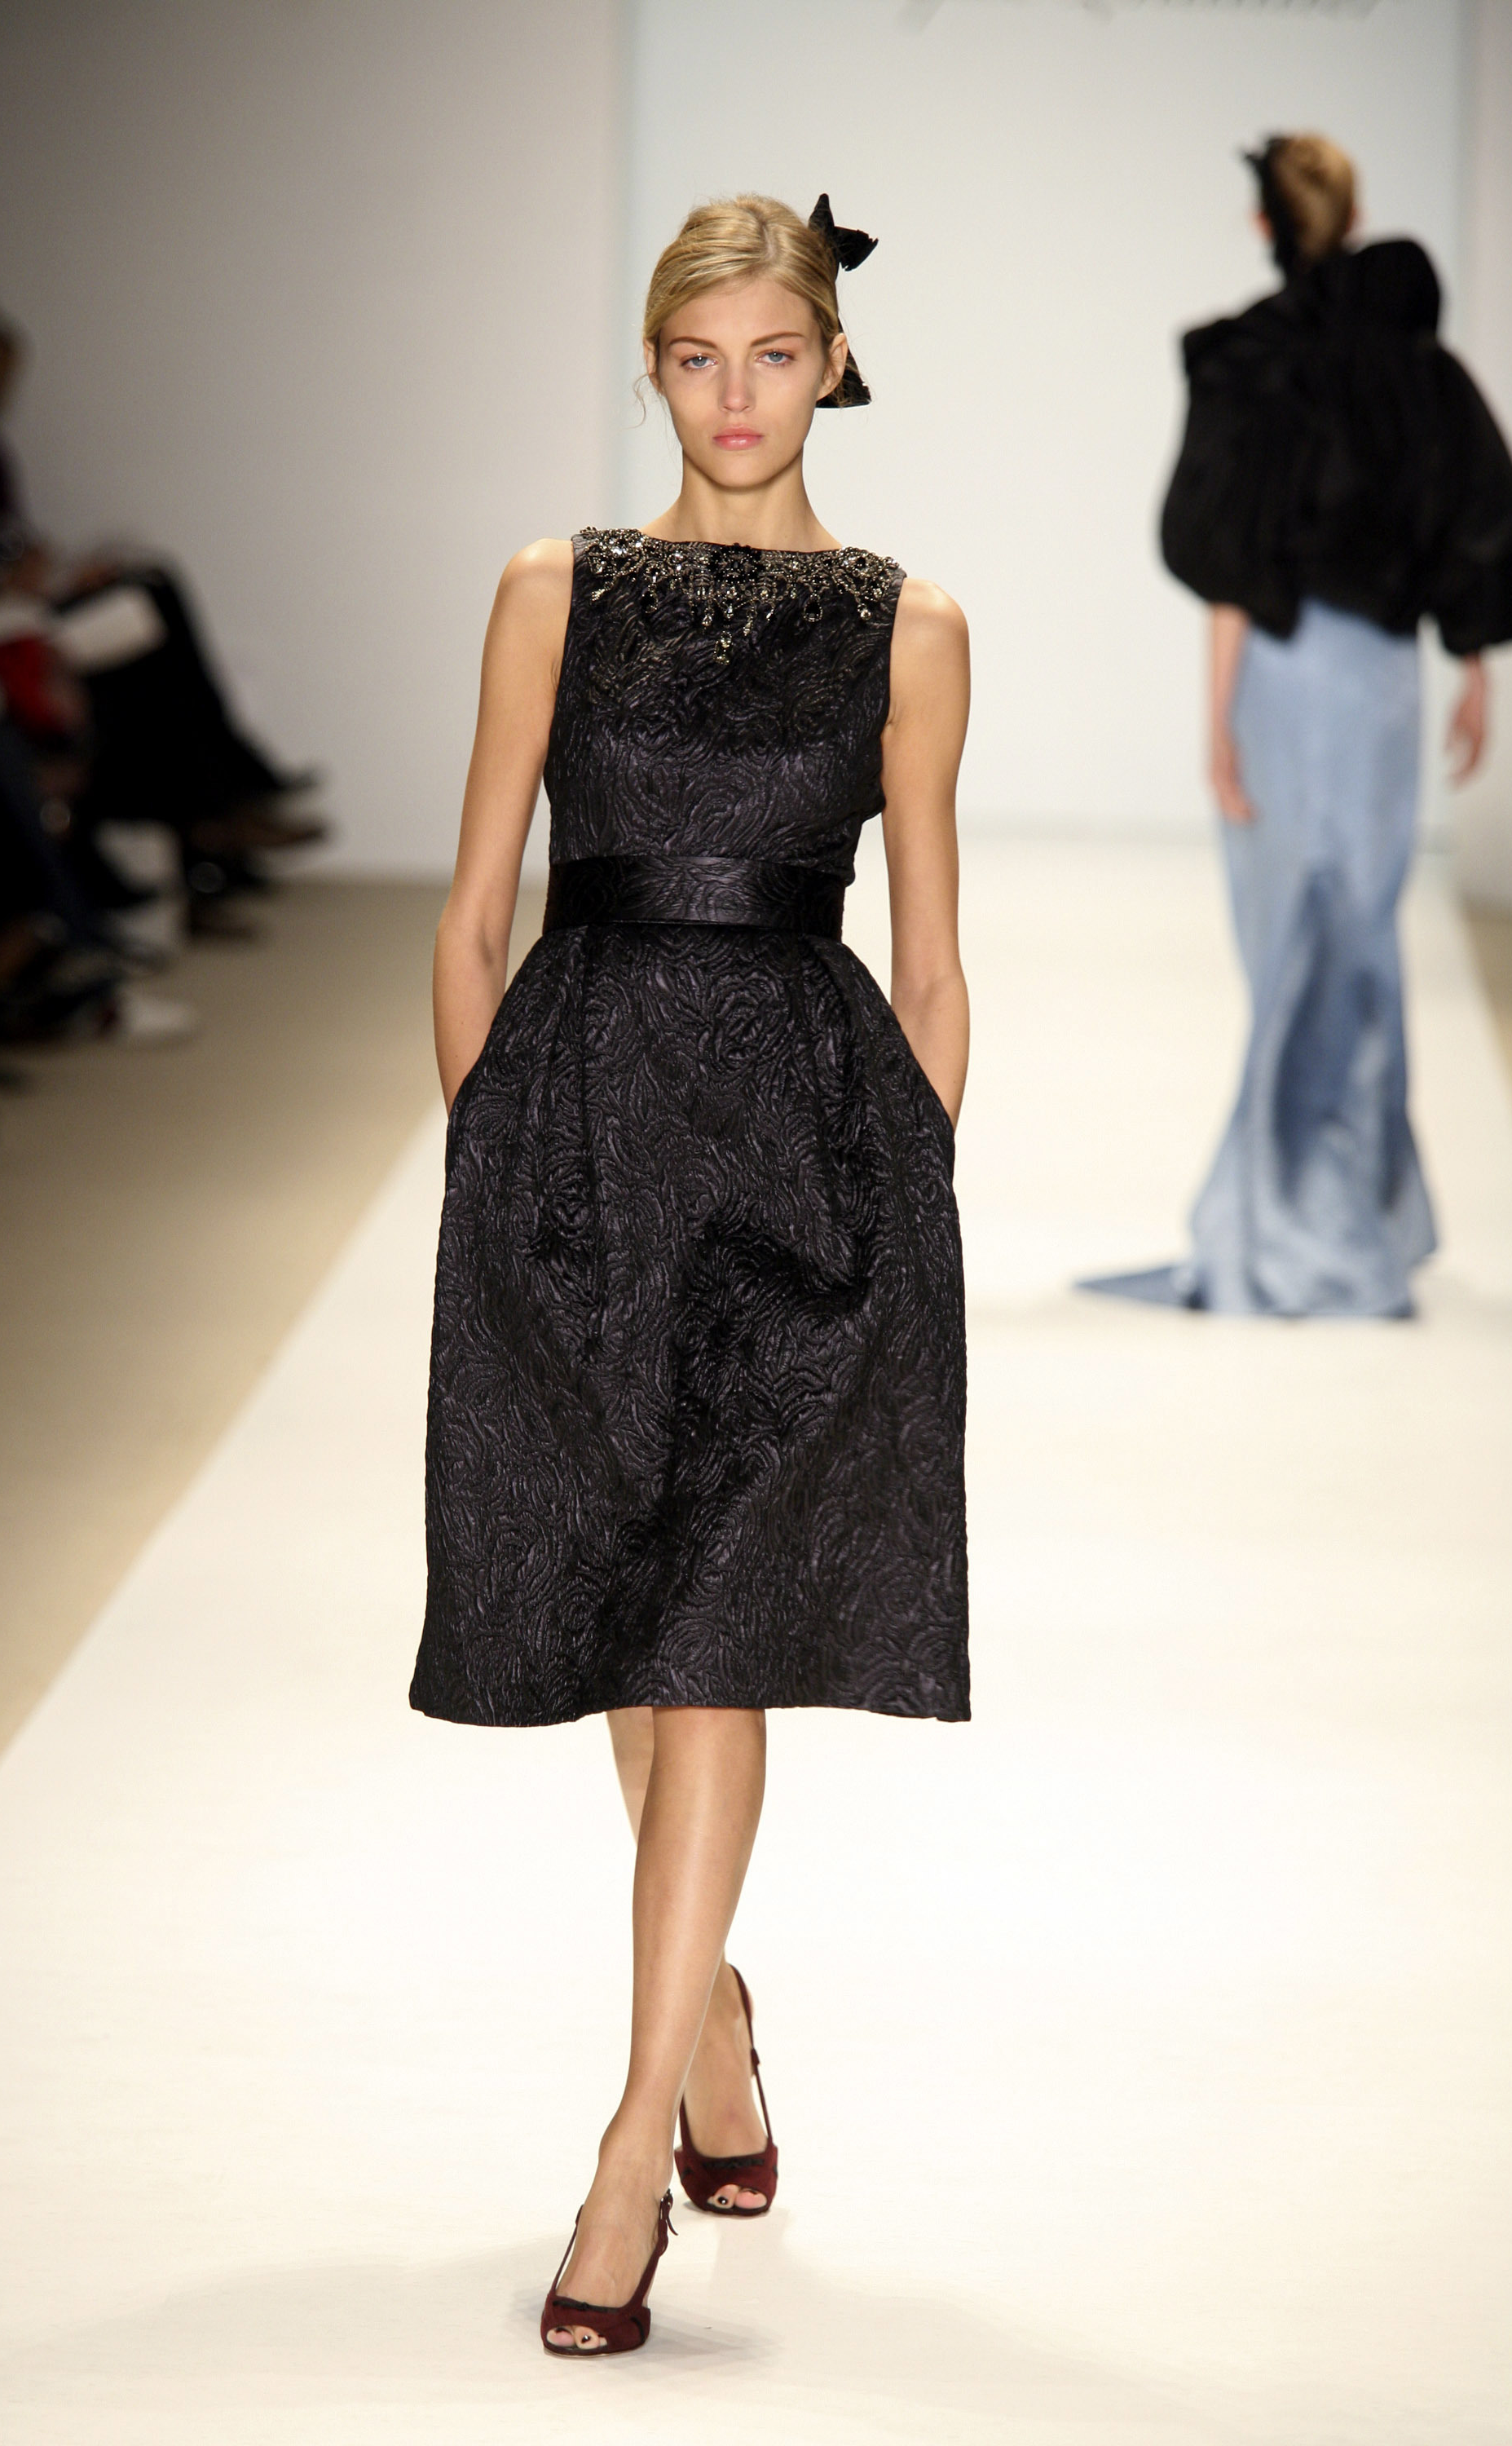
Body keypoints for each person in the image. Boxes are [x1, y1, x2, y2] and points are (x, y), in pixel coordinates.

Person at [409, 192, 970, 2355]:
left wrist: (904, 1208)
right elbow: (475, 912)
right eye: (695, 357)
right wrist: (493, 1174)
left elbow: (931, 959)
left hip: (803, 1168)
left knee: (712, 1640)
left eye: (774, 353)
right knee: (633, 1632)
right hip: (580, 1142)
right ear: (653, 368)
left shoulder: (909, 625)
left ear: (833, 361)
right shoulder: (553, 591)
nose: (736, 397)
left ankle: (627, 2151)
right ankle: (715, 2025)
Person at [1092, 135, 1512, 1318]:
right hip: (1383, 683)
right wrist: (1471, 661)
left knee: (1295, 941)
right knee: (1358, 934)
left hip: (1289, 673)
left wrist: (1218, 723)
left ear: (1265, 224)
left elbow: (1233, 560)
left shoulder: (1262, 362)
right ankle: (1355, 1215)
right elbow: (1475, 507)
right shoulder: (1418, 365)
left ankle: (1290, 1235)